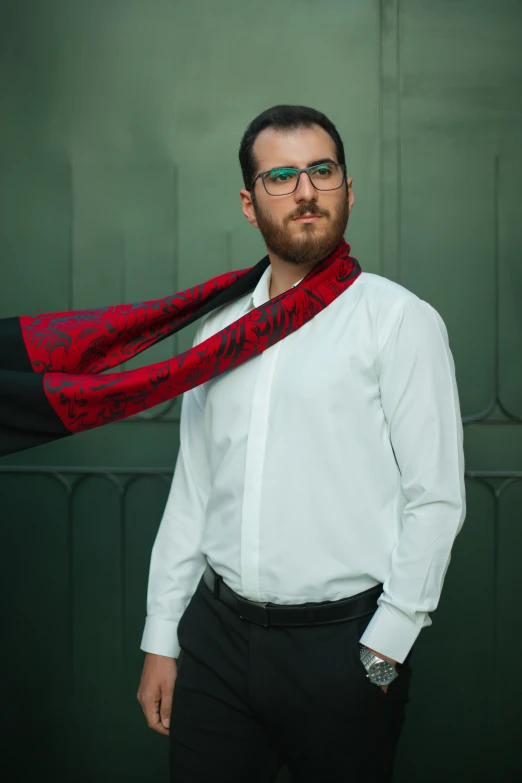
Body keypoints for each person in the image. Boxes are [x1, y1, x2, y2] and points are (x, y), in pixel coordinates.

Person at [137, 104, 466, 783]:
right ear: (250, 203)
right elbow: (192, 496)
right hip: (217, 647)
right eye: (281, 176)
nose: (306, 189)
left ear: (348, 188)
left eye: (322, 170)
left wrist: (387, 646)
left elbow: (434, 498)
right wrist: (161, 639)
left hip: (345, 649)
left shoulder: (399, 321)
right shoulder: (216, 336)